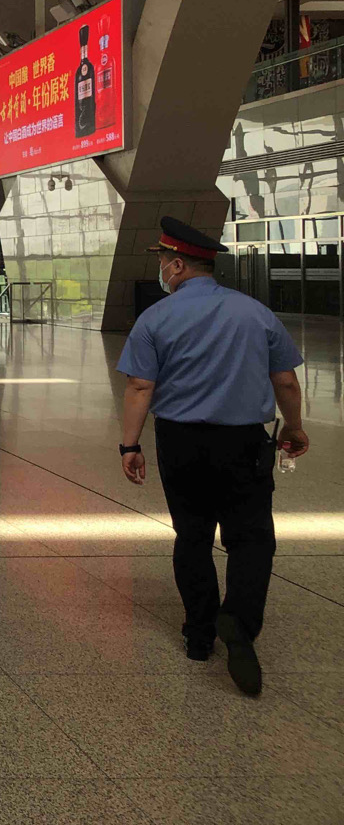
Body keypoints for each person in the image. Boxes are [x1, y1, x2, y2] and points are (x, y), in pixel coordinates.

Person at [117, 216, 308, 697]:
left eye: (164, 260)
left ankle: (199, 635)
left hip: (181, 443)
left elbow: (139, 386)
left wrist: (130, 445)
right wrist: (294, 427)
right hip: (244, 444)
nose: (162, 269)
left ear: (178, 265)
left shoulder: (155, 319)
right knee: (251, 539)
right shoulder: (255, 313)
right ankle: (238, 622)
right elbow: (285, 381)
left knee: (193, 536)